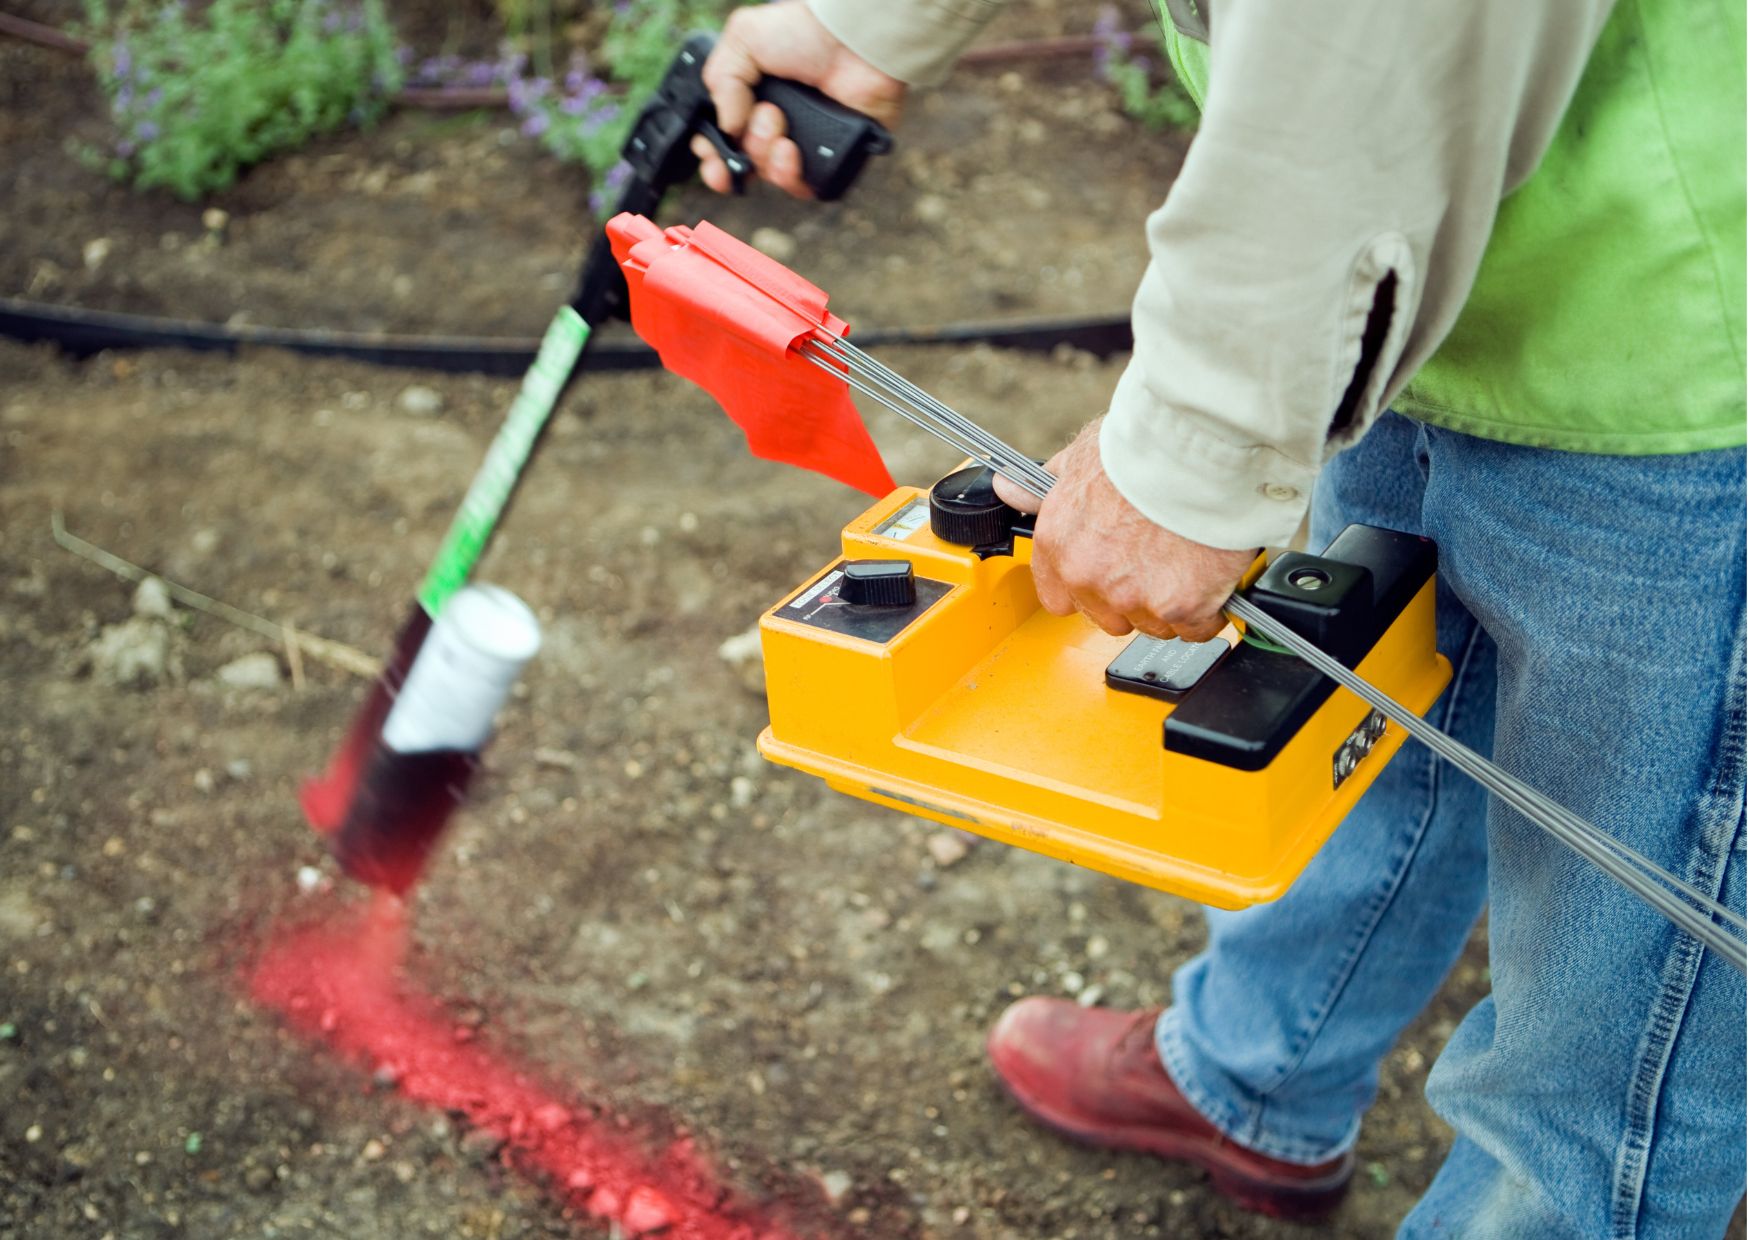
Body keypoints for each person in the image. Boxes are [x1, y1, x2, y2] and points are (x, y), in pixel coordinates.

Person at [693, 1, 1747, 1234]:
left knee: (1613, 1053)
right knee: (1347, 739)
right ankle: (1256, 1071)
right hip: (1407, 283)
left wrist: (1198, 444)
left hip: (1675, 345)